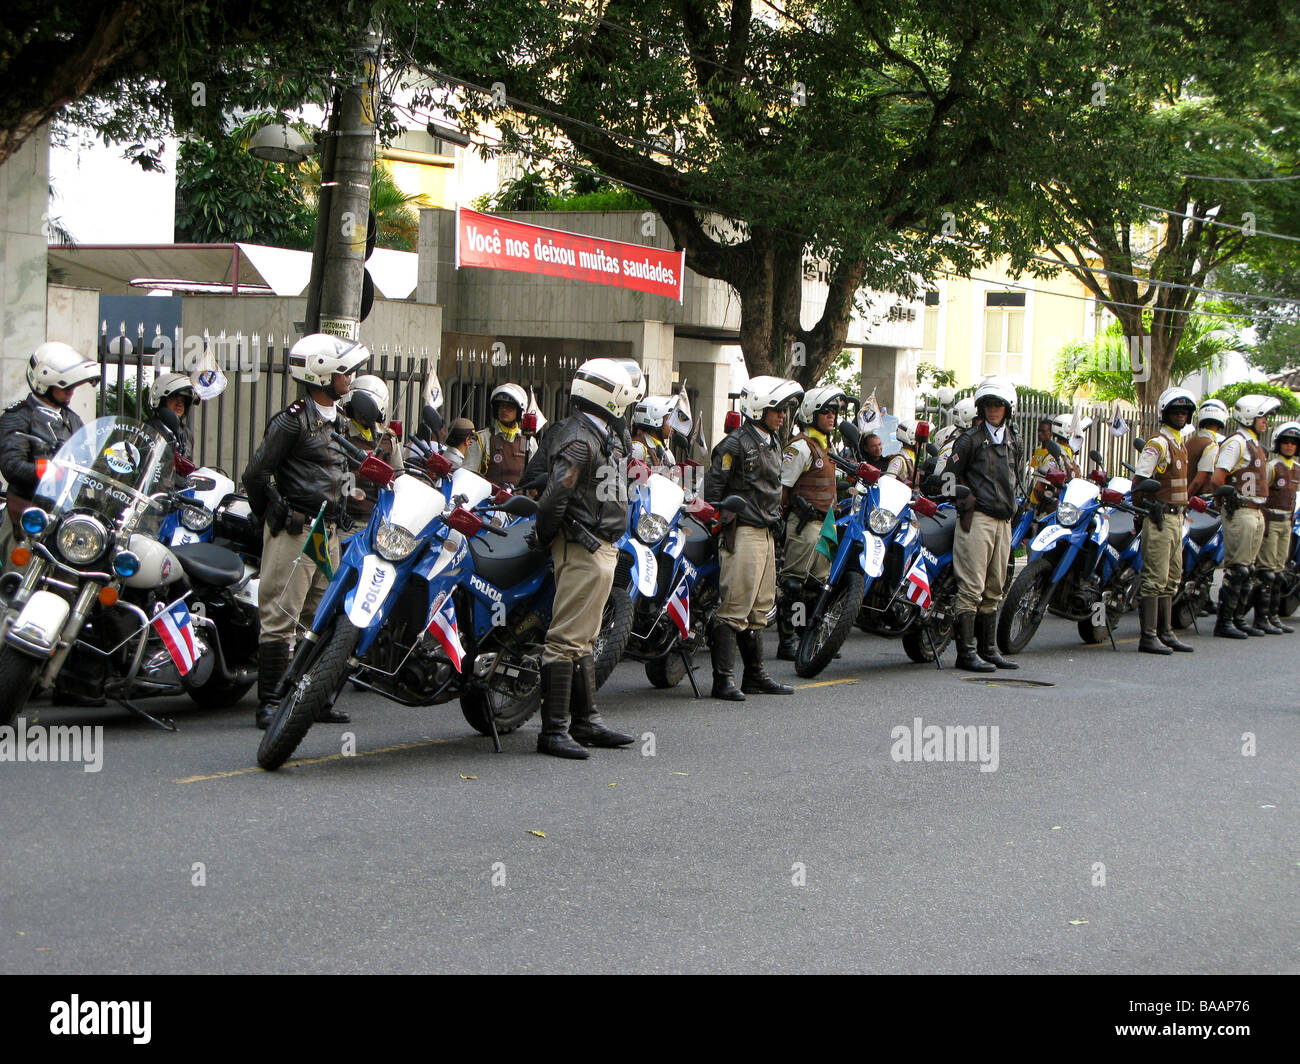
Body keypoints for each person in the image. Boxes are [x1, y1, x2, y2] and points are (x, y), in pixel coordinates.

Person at [243, 333, 370, 729]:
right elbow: (255, 473)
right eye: (345, 372)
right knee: (281, 613)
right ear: (322, 373)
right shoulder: (292, 420)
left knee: (319, 615)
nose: (350, 379)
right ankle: (270, 702)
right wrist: (276, 515)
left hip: (327, 530)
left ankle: (309, 698)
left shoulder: (337, 420)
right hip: (298, 528)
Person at [530, 358, 640, 759]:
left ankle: (586, 720)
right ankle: (554, 730)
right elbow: (557, 496)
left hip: (600, 546)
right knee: (566, 639)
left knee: (585, 639)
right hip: (582, 546)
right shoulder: (580, 439)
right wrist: (544, 536)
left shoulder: (599, 433)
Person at [703, 375, 803, 700]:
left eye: (785, 411)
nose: (782, 416)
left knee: (760, 607)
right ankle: (723, 680)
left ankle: (755, 675)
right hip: (742, 531)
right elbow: (713, 491)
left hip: (766, 532)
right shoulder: (734, 444)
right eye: (777, 410)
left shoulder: (773, 442)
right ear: (759, 409)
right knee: (735, 604)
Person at [0, 342, 101, 574]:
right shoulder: (18, 417)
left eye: (73, 385)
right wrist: (52, 470)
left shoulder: (73, 420)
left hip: (66, 522)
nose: (71, 390)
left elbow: (89, 465)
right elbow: (12, 466)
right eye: (65, 385)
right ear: (44, 383)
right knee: (18, 588)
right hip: (28, 518)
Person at [946, 375, 1023, 672]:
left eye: (998, 405)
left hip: (1004, 521)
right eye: (988, 405)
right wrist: (965, 499)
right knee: (971, 587)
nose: (993, 409)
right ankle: (965, 653)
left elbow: (1016, 477)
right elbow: (946, 478)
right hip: (977, 519)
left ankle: (988, 649)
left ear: (1007, 408)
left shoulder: (1014, 439)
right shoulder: (970, 439)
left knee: (995, 587)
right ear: (980, 408)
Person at [777, 386, 845, 660]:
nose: (832, 416)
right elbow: (782, 488)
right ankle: (788, 641)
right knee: (794, 583)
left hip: (825, 525)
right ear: (811, 414)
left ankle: (811, 638)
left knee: (818, 585)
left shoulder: (828, 447)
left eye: (835, 412)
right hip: (804, 524)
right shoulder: (801, 447)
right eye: (826, 411)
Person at [1211, 394, 1281, 639]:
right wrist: (1227, 501)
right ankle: (1225, 620)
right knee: (1238, 569)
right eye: (1262, 416)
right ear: (1249, 415)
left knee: (1248, 569)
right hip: (1241, 510)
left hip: (1256, 511)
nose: (1265, 422)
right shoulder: (1237, 443)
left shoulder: (1255, 444)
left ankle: (1239, 618)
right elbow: (1218, 477)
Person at [1133, 387, 1197, 654]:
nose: (1181, 415)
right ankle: (1148, 636)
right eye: (1176, 411)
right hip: (1161, 519)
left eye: (1185, 411)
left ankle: (1166, 632)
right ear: (1165, 413)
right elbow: (1139, 483)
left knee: (1172, 577)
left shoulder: (1180, 443)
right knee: (1154, 577)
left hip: (1177, 519)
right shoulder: (1158, 444)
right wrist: (1147, 508)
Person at [338, 374, 404, 525]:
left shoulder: (388, 438)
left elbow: (399, 476)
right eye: (358, 410)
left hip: (379, 518)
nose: (362, 415)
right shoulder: (342, 433)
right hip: (348, 517)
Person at [1257, 419, 1300, 634]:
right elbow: (1262, 494)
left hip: (1287, 524)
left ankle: (1274, 616)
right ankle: (1261, 618)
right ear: (1278, 444)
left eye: (1294, 443)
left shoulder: (1297, 469)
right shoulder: (1273, 467)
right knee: (1267, 571)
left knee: (1279, 570)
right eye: (1286, 442)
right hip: (1271, 521)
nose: (1290, 446)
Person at [464, 383, 538, 489]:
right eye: (501, 406)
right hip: (489, 502)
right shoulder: (482, 438)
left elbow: (535, 476)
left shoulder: (529, 442)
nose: (504, 410)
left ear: (519, 412)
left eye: (509, 407)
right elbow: (468, 475)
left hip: (520, 502)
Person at [145, 372, 198, 465]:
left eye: (183, 400)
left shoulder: (186, 434)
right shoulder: (149, 429)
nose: (180, 404)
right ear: (161, 400)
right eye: (174, 398)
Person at [1187, 398, 1228, 498]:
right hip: (1199, 500)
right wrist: (1186, 500)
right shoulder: (1211, 446)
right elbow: (1199, 480)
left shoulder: (1190, 441)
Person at [629, 395, 678, 476]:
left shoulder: (667, 453)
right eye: (669, 419)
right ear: (656, 420)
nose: (673, 425)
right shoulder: (638, 448)